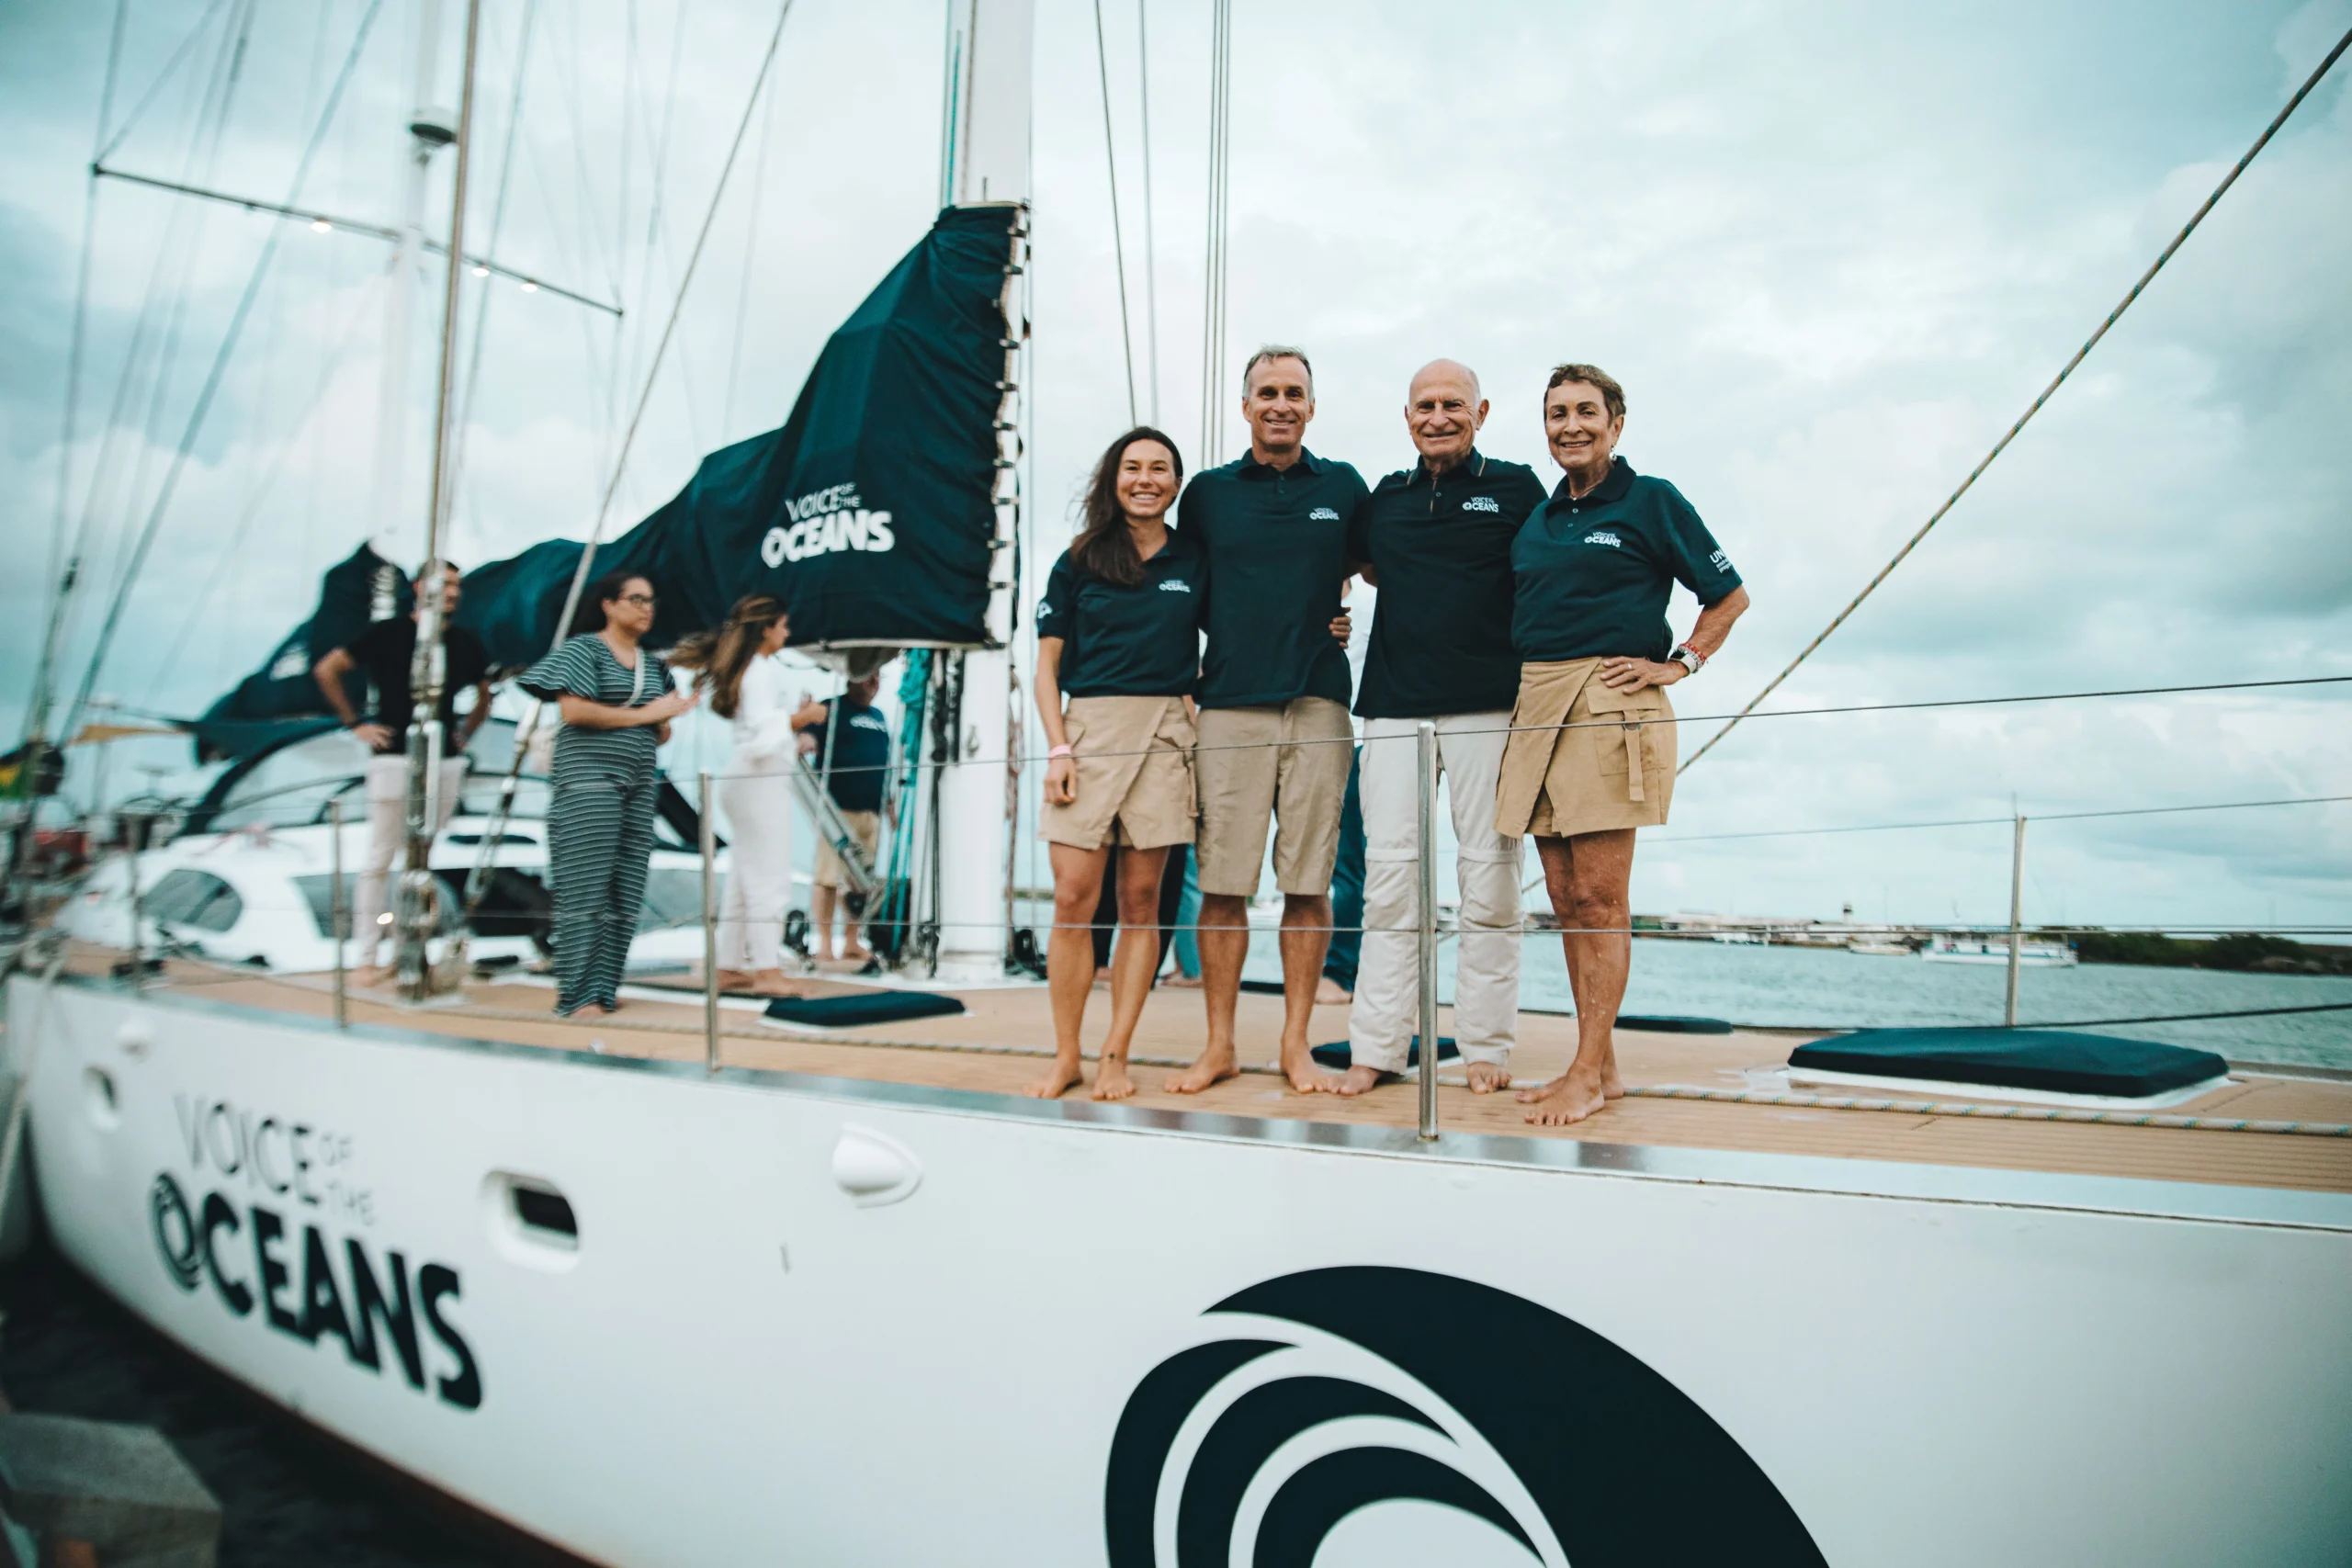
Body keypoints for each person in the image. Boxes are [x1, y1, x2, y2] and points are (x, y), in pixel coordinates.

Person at [1498, 364, 1749, 1124]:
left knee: (1603, 898)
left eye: (1584, 411)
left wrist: (1680, 662)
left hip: (1610, 700)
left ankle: (1585, 1070)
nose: (1569, 425)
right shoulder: (1539, 519)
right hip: (1536, 701)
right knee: (1567, 898)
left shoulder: (1651, 500)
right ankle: (1598, 1069)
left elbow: (1728, 593)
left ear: (1616, 422)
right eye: (1555, 414)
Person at [1336, 360, 1549, 1098]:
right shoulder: (1385, 499)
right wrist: (1330, 618)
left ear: (1481, 411)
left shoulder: (1518, 488)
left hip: (1489, 704)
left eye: (1452, 404)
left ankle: (1484, 1044)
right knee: (1390, 883)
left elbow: (1558, 567)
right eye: (1424, 405)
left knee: (1490, 877)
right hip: (1393, 705)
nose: (1438, 416)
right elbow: (1351, 564)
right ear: (1406, 417)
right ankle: (1378, 1049)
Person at [1165, 346, 1364, 1095]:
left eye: (1295, 393)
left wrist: (1346, 617)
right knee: (1221, 886)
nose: (1281, 404)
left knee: (1309, 885)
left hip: (1318, 699)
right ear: (1244, 405)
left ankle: (1294, 1042)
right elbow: (1183, 589)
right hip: (1228, 705)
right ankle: (1219, 1044)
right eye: (1267, 392)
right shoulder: (1209, 494)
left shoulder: (1342, 487)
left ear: (1312, 407)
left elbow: (1383, 565)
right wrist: (1180, 686)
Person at [1027, 426, 1205, 1100]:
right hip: (1088, 731)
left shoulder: (1194, 558)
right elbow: (1045, 665)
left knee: (1141, 902)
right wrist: (1058, 747)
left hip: (1164, 731)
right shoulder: (1078, 560)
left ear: (1176, 483)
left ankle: (1115, 1053)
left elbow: (1247, 617)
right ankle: (1066, 1053)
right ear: (1114, 477)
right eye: (1133, 467)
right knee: (1073, 899)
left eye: (1160, 468)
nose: (1145, 479)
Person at [518, 571, 698, 1017]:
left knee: (626, 884)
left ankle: (604, 988)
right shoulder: (583, 649)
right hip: (589, 780)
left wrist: (659, 718)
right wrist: (648, 715)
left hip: (638, 780)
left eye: (650, 600)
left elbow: (660, 731)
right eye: (636, 599)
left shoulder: (654, 665)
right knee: (585, 885)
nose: (646, 608)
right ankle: (577, 995)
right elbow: (575, 710)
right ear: (608, 604)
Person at [312, 561, 493, 985]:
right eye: (443, 584)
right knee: (381, 856)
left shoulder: (465, 643)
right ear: (418, 587)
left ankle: (407, 948)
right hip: (393, 752)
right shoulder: (388, 634)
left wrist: (463, 734)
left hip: (444, 759)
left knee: (423, 856)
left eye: (455, 585)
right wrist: (356, 724)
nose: (452, 592)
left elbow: (486, 696)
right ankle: (366, 956)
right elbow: (327, 670)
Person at [668, 593, 807, 997]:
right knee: (769, 876)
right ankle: (767, 969)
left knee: (746, 878)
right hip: (759, 780)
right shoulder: (761, 669)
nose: (787, 633)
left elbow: (757, 733)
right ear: (766, 628)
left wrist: (790, 736)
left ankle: (728, 964)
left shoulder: (748, 669)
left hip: (745, 779)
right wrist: (803, 719)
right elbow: (764, 736)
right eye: (783, 625)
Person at [792, 672, 892, 963]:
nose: (874, 684)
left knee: (862, 881)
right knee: (828, 878)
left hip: (871, 810)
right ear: (853, 678)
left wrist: (890, 805)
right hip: (837, 812)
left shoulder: (879, 716)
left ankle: (852, 940)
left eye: (878, 678)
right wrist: (803, 735)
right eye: (869, 677)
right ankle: (824, 943)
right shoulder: (831, 708)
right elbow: (809, 738)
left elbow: (882, 761)